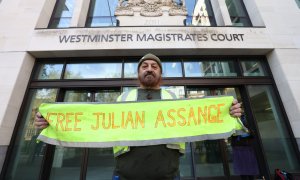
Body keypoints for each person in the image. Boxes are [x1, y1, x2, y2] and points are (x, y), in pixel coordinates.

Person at [35, 53, 243, 180]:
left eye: (154, 67)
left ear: (161, 73)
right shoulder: (123, 98)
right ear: (138, 73)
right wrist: (48, 122)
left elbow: (203, 119)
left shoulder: (174, 98)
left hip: (168, 176)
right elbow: (93, 124)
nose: (149, 69)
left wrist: (229, 113)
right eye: (145, 66)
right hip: (125, 176)